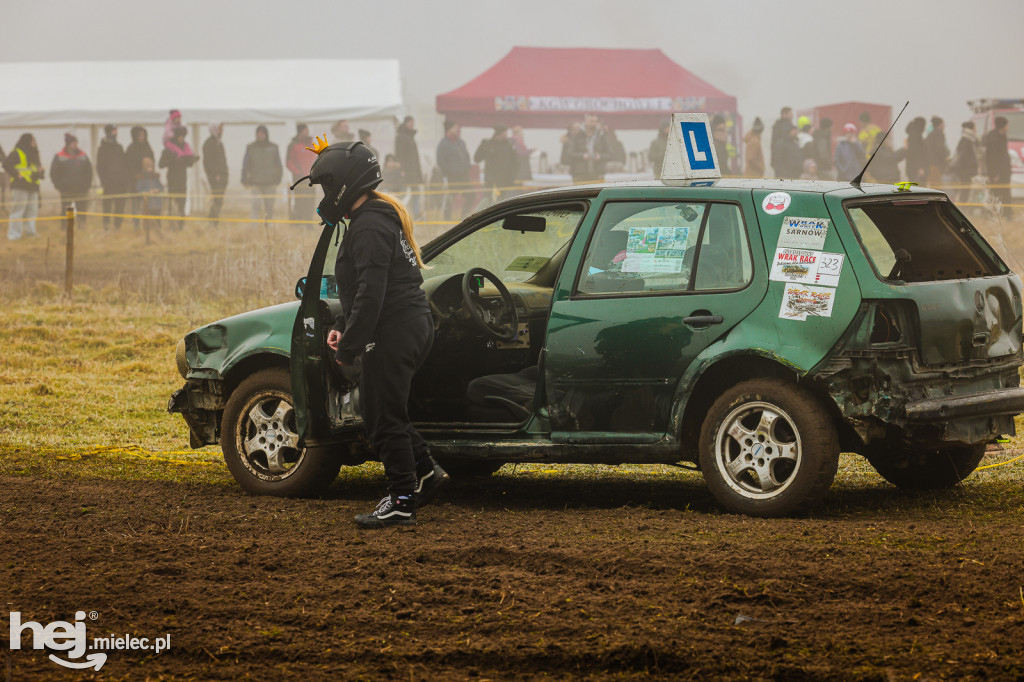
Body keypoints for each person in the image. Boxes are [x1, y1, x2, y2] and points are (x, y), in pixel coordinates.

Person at [300, 136, 449, 528]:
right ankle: (426, 472)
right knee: (380, 411)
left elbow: (371, 294)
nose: (326, 195)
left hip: (395, 329)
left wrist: (347, 347)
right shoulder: (377, 217)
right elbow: (363, 292)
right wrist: (343, 327)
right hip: (406, 324)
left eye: (329, 186)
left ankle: (401, 500)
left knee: (383, 418)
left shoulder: (368, 227)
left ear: (347, 184)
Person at [3, 133, 44, 240]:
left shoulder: (35, 153)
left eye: (34, 141)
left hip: (33, 186)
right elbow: (6, 164)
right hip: (19, 186)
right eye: (32, 141)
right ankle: (14, 235)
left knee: (32, 210)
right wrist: (17, 174)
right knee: (18, 210)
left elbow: (37, 168)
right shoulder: (16, 153)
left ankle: (31, 233)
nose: (34, 143)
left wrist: (41, 172)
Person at [159, 126, 198, 229]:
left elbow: (188, 163)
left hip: (182, 180)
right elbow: (161, 164)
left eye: (183, 136)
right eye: (180, 136)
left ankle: (180, 225)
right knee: (172, 204)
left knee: (182, 203)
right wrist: (172, 159)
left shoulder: (185, 147)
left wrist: (191, 160)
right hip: (172, 180)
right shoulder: (169, 149)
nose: (181, 138)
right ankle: (171, 225)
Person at [241, 125, 283, 220]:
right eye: (258, 133)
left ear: (266, 134)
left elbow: (279, 165)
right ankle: (254, 228)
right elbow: (246, 164)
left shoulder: (273, 148)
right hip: (255, 182)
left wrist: (278, 178)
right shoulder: (250, 148)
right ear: (256, 134)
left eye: (262, 133)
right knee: (255, 206)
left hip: (270, 183)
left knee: (269, 208)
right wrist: (244, 179)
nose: (260, 135)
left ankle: (269, 227)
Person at [51, 132, 93, 223]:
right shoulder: (59, 156)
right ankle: (65, 227)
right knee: (66, 210)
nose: (75, 145)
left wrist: (87, 185)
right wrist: (59, 186)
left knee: (82, 210)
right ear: (68, 144)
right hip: (66, 190)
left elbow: (89, 172)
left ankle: (81, 227)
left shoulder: (83, 156)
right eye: (73, 143)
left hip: (81, 189)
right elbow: (54, 173)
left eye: (76, 143)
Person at [436, 120, 471, 220]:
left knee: (471, 195)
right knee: (449, 199)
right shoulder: (443, 144)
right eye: (455, 127)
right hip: (451, 177)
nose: (457, 129)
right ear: (449, 128)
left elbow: (467, 157)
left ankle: (465, 218)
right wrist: (452, 171)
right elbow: (440, 161)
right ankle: (447, 222)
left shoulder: (461, 142)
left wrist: (467, 167)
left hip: (463, 176)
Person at [95, 124, 128, 230]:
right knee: (107, 205)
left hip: (120, 183)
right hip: (108, 183)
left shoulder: (119, 147)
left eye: (116, 131)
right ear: (109, 132)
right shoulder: (103, 148)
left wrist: (124, 179)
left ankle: (117, 226)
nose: (116, 133)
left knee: (119, 206)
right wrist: (104, 181)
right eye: (114, 131)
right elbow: (100, 166)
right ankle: (106, 225)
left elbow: (124, 164)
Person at [473, 125, 519, 199]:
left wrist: (511, 177)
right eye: (505, 133)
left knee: (503, 203)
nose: (506, 135)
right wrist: (483, 148)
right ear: (500, 133)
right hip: (490, 180)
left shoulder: (508, 145)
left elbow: (516, 163)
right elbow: (477, 159)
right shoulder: (488, 144)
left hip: (505, 181)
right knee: (488, 201)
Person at [125, 126, 155, 230]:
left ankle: (149, 225)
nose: (142, 137)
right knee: (136, 204)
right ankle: (136, 226)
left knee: (148, 204)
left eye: (144, 135)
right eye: (140, 135)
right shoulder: (131, 149)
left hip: (148, 181)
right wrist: (135, 174)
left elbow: (152, 161)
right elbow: (128, 165)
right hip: (135, 182)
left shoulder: (147, 147)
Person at [286, 124, 317, 220]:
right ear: (300, 132)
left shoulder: (312, 144)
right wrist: (297, 172)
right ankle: (299, 222)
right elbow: (288, 161)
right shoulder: (293, 145)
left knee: (311, 201)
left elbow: (317, 158)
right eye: (305, 130)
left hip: (311, 178)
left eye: (307, 130)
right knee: (300, 201)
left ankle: (308, 221)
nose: (307, 132)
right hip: (299, 179)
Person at [565, 114, 609, 182]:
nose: (593, 124)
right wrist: (582, 156)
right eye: (591, 121)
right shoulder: (577, 135)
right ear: (585, 121)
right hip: (580, 173)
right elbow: (569, 154)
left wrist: (600, 156)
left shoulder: (601, 135)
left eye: (595, 121)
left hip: (597, 173)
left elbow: (610, 154)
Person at [394, 116, 423, 217]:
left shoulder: (409, 137)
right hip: (406, 172)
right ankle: (399, 212)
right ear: (406, 123)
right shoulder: (402, 137)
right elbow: (399, 155)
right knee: (403, 194)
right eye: (411, 123)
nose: (412, 125)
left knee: (415, 193)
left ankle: (416, 214)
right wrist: (401, 169)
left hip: (413, 171)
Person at [984, 116, 1012, 217]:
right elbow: (991, 158)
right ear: (1002, 126)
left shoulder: (1002, 136)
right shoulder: (993, 138)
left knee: (1005, 194)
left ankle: (1007, 215)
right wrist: (994, 174)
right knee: (995, 194)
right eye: (1007, 124)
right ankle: (992, 214)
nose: (1008, 126)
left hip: (1004, 171)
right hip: (996, 173)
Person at [203, 123, 229, 225]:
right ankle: (212, 221)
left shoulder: (219, 143)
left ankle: (213, 221)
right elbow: (208, 162)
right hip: (216, 178)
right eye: (220, 129)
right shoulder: (209, 144)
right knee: (216, 199)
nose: (222, 131)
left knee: (219, 200)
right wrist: (215, 174)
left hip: (222, 176)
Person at [952, 121, 980, 203]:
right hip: (965, 171)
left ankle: (964, 206)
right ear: (971, 129)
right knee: (965, 191)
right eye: (975, 128)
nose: (976, 130)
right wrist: (974, 165)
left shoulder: (968, 140)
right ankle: (963, 208)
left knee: (966, 190)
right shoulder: (966, 141)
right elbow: (965, 157)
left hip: (966, 170)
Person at [136, 156, 164, 237]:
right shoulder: (141, 178)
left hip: (157, 204)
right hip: (148, 204)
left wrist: (157, 190)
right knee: (148, 222)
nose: (150, 168)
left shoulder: (155, 177)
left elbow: (161, 187)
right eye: (148, 166)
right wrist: (147, 192)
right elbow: (139, 189)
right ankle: (148, 236)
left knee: (157, 221)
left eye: (151, 166)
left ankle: (158, 234)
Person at [904, 117, 928, 185]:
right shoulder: (915, 136)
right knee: (919, 190)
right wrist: (920, 167)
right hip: (916, 168)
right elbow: (916, 153)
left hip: (912, 167)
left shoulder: (913, 135)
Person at [770, 106, 794, 176]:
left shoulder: (779, 125)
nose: (792, 116)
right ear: (784, 115)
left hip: (781, 161)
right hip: (783, 161)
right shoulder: (783, 126)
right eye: (790, 114)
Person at [925, 116, 948, 186]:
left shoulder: (930, 134)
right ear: (940, 124)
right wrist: (945, 157)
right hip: (937, 164)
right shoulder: (939, 134)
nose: (944, 125)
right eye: (943, 123)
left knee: (933, 185)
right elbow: (940, 149)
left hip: (930, 164)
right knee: (937, 186)